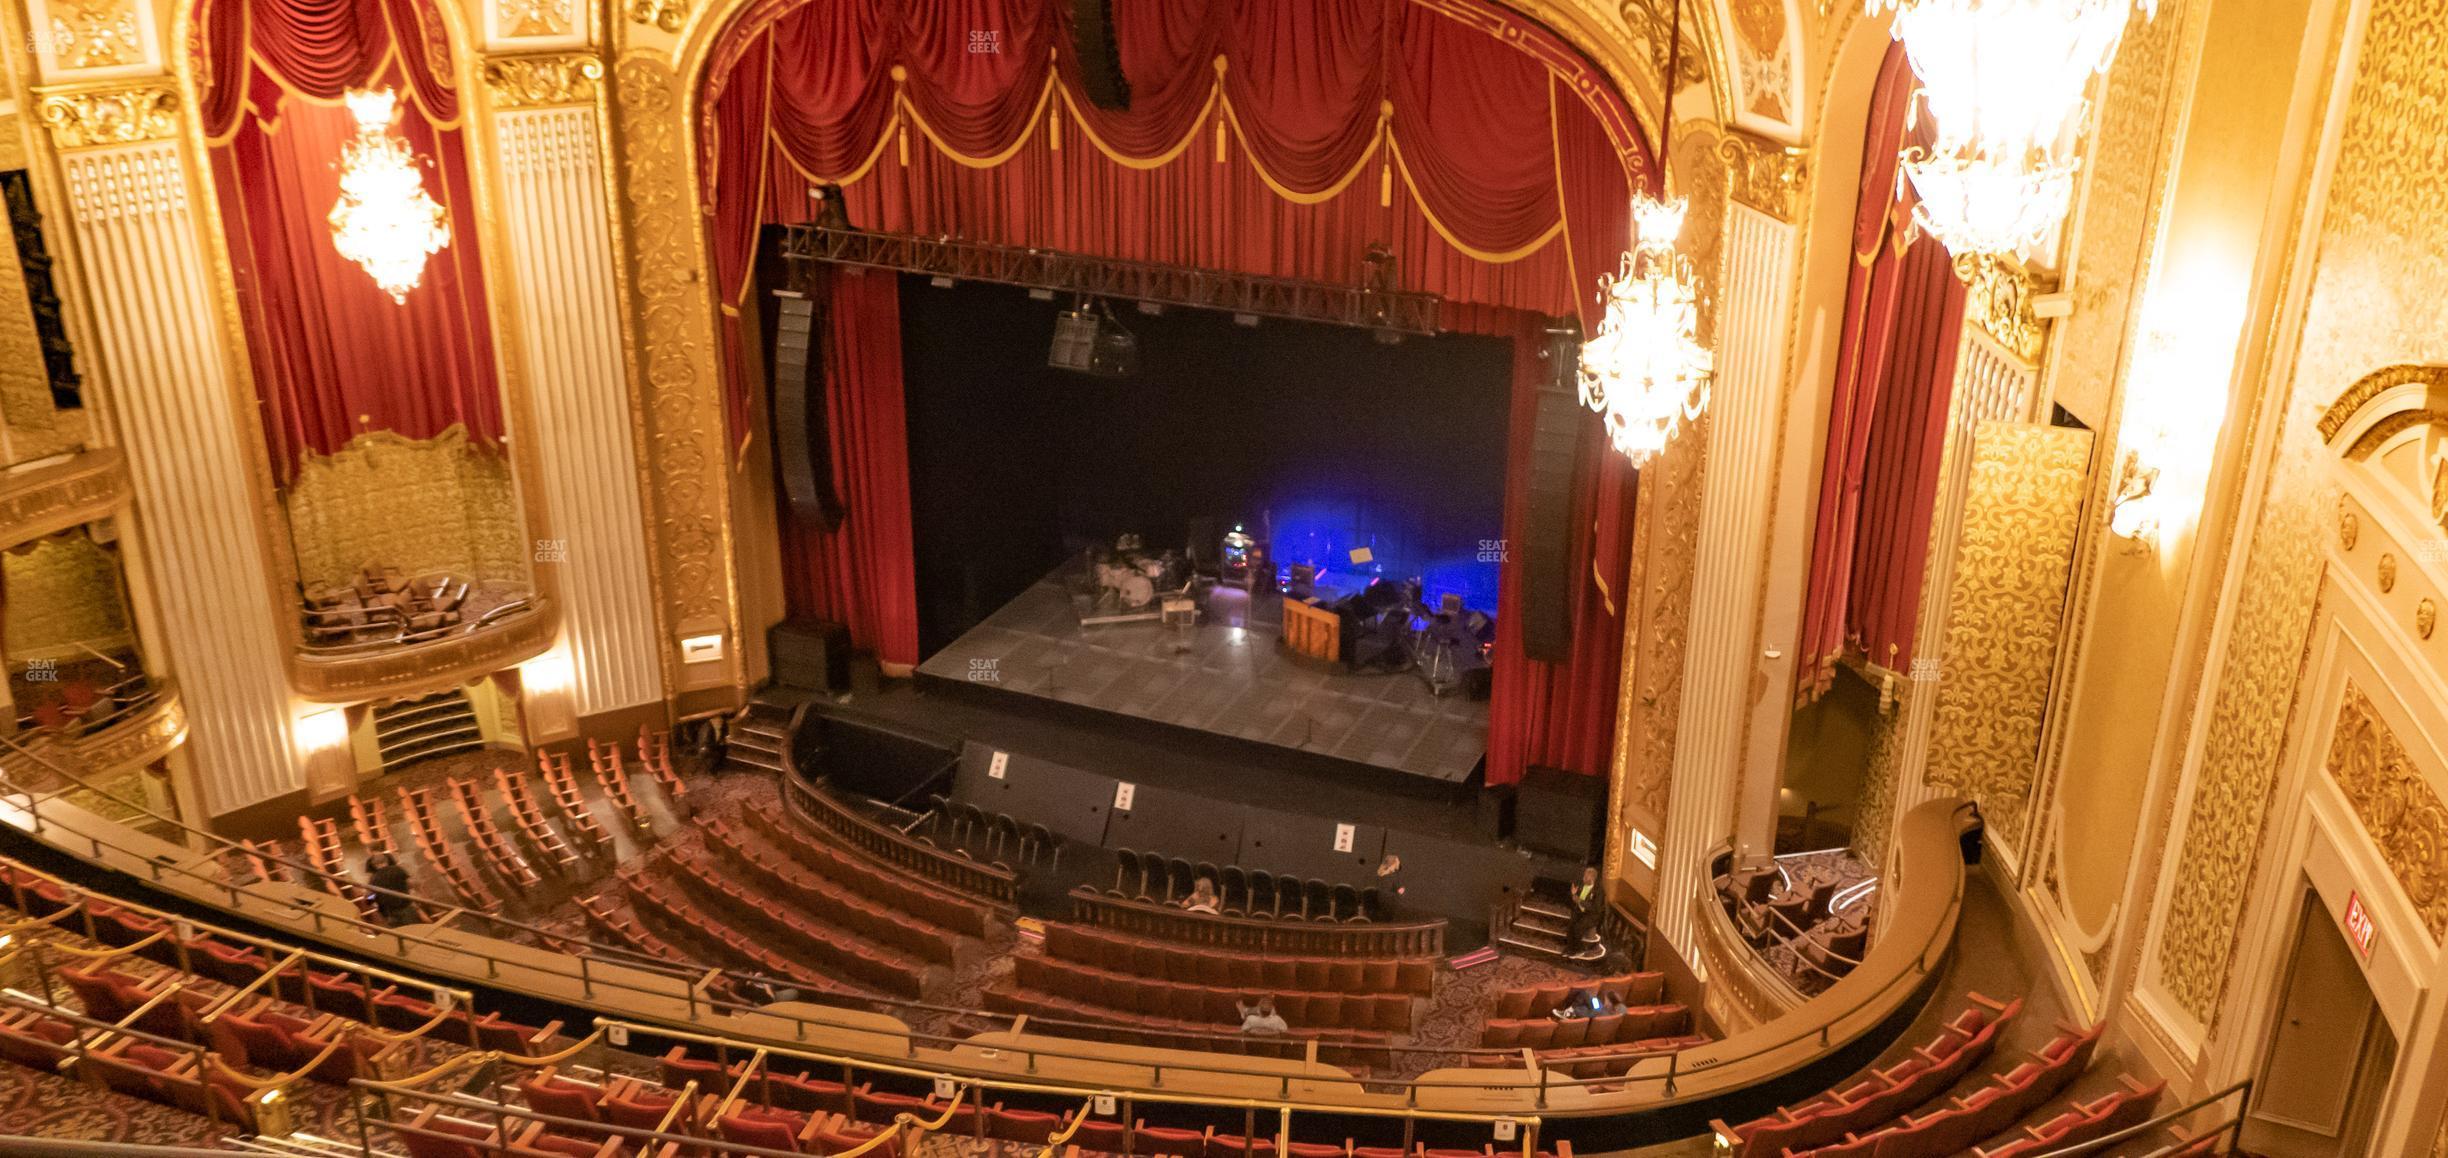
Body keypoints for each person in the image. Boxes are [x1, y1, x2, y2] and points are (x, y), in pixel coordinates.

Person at [365, 853, 416, 927]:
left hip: (389, 914)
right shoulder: (397, 869)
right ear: (387, 861)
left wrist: (373, 903)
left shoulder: (373, 879)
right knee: (416, 930)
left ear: (374, 865)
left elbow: (369, 899)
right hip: (406, 907)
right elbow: (411, 884)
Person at [1566, 866, 1605, 961]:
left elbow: (1595, 907)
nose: (1583, 878)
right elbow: (1574, 900)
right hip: (1579, 912)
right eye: (1584, 876)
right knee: (1571, 926)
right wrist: (1573, 895)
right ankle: (1570, 948)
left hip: (1591, 915)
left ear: (1592, 879)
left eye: (1586, 877)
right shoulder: (1581, 885)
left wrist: (1579, 900)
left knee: (1578, 928)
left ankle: (1579, 949)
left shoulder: (1598, 891)